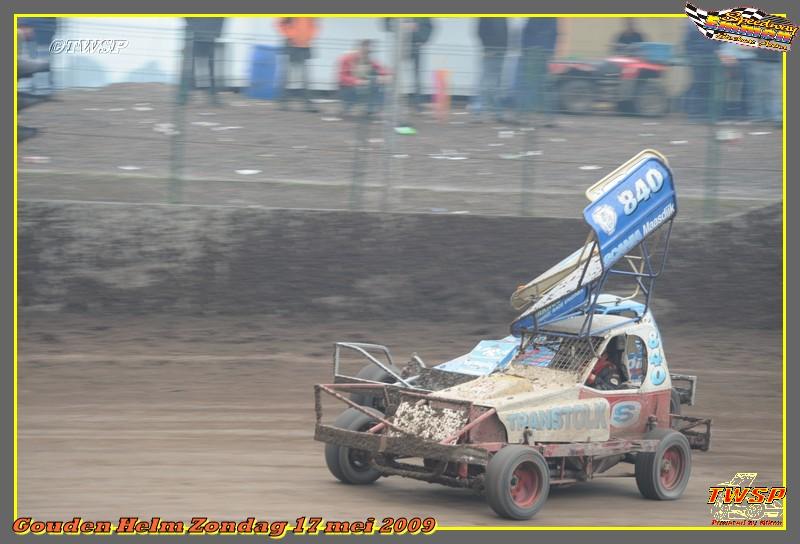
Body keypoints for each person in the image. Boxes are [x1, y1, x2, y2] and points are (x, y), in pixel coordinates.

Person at [383, 18, 434, 112]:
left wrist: (422, 39)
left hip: (415, 45)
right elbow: (385, 23)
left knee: (416, 76)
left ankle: (417, 103)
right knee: (396, 74)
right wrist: (399, 27)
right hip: (400, 44)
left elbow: (429, 26)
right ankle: (394, 100)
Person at [517, 18, 558, 120]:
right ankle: (549, 117)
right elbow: (554, 34)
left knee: (529, 84)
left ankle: (525, 115)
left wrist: (524, 51)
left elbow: (526, 32)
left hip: (533, 51)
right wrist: (551, 52)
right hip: (545, 52)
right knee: (545, 85)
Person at [276, 18, 320, 112]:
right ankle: (283, 103)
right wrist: (291, 36)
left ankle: (308, 105)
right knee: (286, 76)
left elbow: (315, 24)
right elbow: (280, 23)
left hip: (305, 45)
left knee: (306, 78)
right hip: (291, 44)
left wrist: (309, 37)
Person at [337, 39, 390, 117]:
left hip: (363, 87)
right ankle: (347, 107)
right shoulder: (347, 59)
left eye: (368, 51)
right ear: (359, 48)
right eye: (365, 50)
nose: (367, 53)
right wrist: (357, 81)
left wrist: (386, 76)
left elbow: (381, 69)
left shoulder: (369, 59)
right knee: (373, 81)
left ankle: (371, 110)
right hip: (348, 89)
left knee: (378, 82)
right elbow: (342, 77)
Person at [179, 18, 226, 105]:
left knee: (189, 65)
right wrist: (217, 32)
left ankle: (185, 96)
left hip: (197, 33)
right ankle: (212, 97)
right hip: (206, 33)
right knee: (209, 66)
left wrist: (192, 25)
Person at [476, 18, 509, 122]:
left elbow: (504, 33)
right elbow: (481, 31)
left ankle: (496, 113)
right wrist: (488, 47)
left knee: (494, 83)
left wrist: (504, 49)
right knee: (487, 83)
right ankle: (479, 111)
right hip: (492, 51)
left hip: (500, 52)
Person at [748, 47, 782, 126]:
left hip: (776, 63)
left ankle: (775, 117)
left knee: (775, 92)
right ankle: (758, 117)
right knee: (758, 92)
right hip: (759, 62)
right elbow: (746, 46)